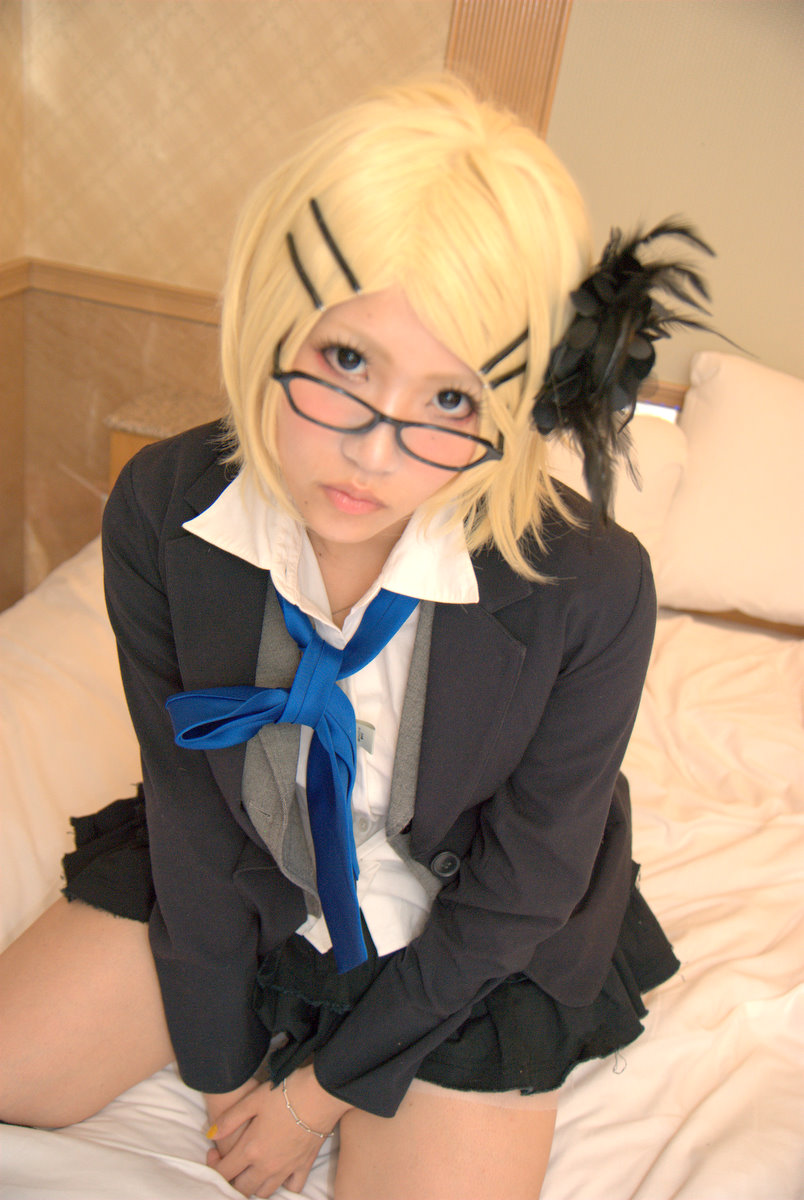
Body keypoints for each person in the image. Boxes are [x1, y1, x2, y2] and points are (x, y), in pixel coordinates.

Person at [0, 76, 712, 1199]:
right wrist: (223, 1065)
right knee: (16, 1069)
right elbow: (187, 802)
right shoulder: (163, 509)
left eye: (452, 401)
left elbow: (524, 884)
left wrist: (313, 1097)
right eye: (344, 363)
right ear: (274, 318)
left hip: (474, 920)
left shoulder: (593, 585)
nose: (374, 457)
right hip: (249, 861)